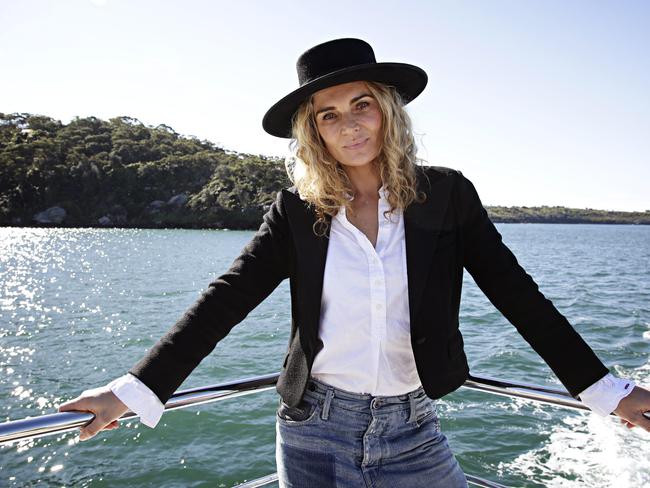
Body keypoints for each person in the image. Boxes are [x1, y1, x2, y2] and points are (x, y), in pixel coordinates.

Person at [58, 38, 650, 487]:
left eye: (361, 104)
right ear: (313, 131)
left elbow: (517, 296)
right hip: (313, 430)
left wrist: (607, 391)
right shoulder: (298, 209)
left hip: (415, 429)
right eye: (328, 114)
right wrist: (132, 391)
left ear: (387, 109)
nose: (350, 124)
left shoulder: (445, 195)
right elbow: (227, 298)